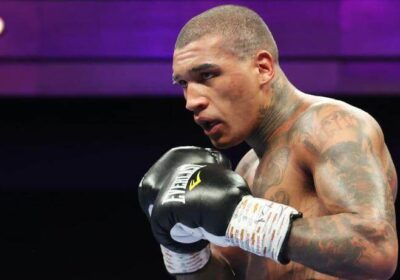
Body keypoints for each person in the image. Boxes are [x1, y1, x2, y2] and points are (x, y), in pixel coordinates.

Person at [139, 4, 398, 280]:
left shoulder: (329, 126)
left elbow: (375, 248)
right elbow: (228, 275)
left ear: (263, 68)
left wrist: (245, 220)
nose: (192, 101)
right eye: (183, 84)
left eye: (208, 75)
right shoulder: (247, 168)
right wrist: (184, 250)